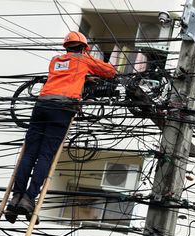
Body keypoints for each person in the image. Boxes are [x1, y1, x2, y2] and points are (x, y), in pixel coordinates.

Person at [6, 31, 116, 223]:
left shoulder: (55, 60)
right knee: (45, 155)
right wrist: (88, 73)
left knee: (29, 154)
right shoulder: (84, 59)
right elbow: (110, 71)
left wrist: (84, 77)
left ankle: (16, 197)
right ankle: (29, 198)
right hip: (62, 108)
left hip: (41, 106)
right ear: (83, 48)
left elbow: (65, 74)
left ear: (66, 47)